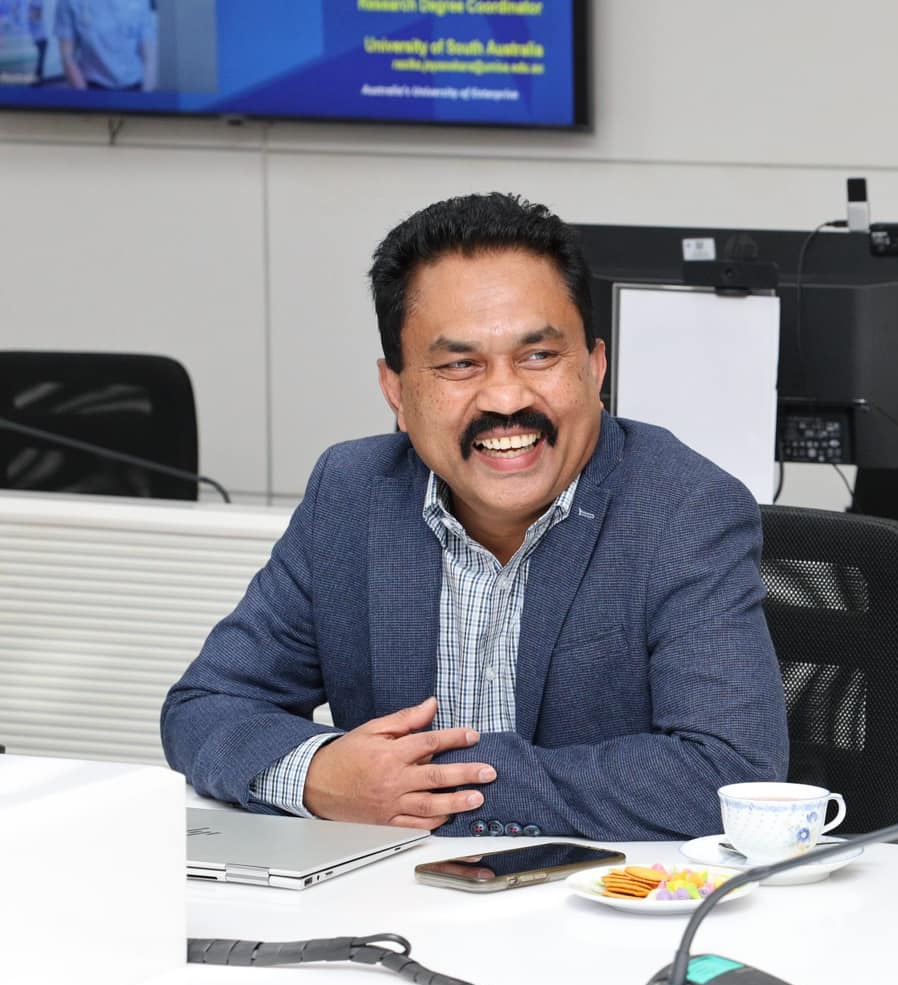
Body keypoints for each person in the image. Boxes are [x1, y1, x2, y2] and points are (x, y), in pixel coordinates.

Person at [163, 192, 788, 841]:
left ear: (596, 366)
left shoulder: (684, 509)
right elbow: (206, 708)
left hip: (600, 911)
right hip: (386, 898)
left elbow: (731, 774)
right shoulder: (351, 494)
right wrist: (320, 773)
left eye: (539, 356)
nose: (507, 397)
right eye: (460, 364)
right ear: (396, 391)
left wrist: (420, 785)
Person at [54, 0, 152, 92]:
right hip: (91, 87)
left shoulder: (140, 2)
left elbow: (148, 55)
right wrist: (84, 97)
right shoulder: (70, 2)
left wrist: (145, 96)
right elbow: (67, 56)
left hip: (134, 85)